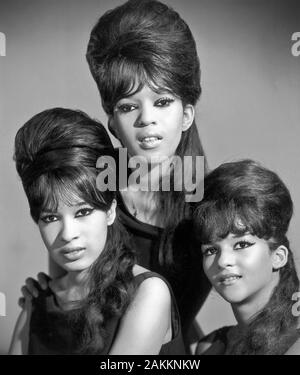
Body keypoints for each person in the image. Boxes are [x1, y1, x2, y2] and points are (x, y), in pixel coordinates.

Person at [22, 0, 211, 345]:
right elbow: (67, 289)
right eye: (128, 106)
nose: (146, 120)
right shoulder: (93, 184)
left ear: (187, 113)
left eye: (163, 101)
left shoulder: (208, 202)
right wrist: (45, 307)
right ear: (112, 122)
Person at [9, 108, 185, 355]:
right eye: (50, 218)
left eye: (83, 213)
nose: (68, 234)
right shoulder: (36, 305)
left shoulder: (147, 294)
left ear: (111, 210)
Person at [193, 160, 300, 355]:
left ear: (278, 256)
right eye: (211, 250)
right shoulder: (211, 348)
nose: (224, 261)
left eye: (242, 244)